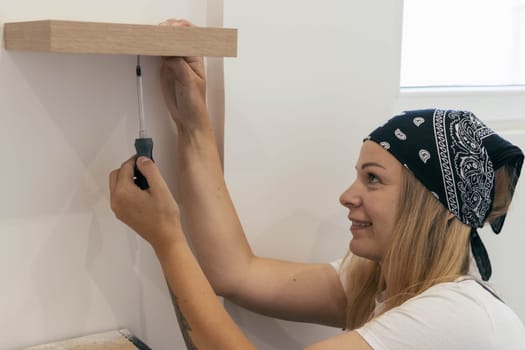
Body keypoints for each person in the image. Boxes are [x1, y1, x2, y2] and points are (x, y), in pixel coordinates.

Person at [109, 19, 525, 350]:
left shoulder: (456, 317)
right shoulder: (375, 282)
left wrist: (166, 238)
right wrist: (192, 122)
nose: (347, 196)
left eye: (373, 179)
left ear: (429, 204)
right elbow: (234, 273)